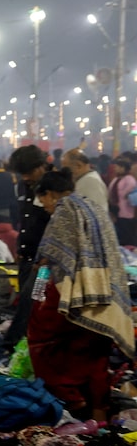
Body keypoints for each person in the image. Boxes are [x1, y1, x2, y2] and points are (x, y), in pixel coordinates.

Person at [29, 168, 134, 421]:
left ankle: (74, 403)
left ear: (51, 194)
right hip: (104, 293)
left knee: (43, 344)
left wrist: (35, 290)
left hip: (71, 293)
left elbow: (50, 257)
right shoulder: (94, 208)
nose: (44, 207)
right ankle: (99, 413)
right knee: (95, 352)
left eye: (43, 201)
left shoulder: (65, 209)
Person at [2, 145, 53, 350]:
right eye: (22, 173)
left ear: (42, 166)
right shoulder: (25, 186)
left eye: (29, 172)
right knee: (26, 301)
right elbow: (25, 220)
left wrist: (47, 256)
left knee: (32, 303)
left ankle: (17, 346)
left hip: (44, 263)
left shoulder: (53, 186)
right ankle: (25, 346)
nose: (25, 177)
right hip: (27, 257)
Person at [61, 148, 108, 214]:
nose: (63, 172)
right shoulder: (85, 179)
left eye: (65, 167)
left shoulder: (91, 182)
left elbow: (93, 215)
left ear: (78, 166)